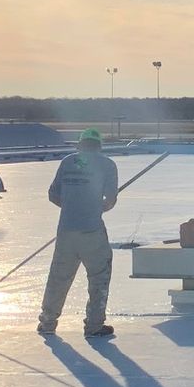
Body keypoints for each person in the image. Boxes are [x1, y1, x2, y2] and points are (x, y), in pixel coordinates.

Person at [38, 128, 120, 338]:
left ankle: (47, 322)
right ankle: (94, 326)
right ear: (99, 145)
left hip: (66, 230)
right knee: (99, 277)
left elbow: (53, 195)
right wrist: (95, 207)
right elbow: (109, 201)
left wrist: (72, 207)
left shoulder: (67, 162)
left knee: (58, 277)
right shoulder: (107, 165)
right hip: (91, 230)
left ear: (80, 144)